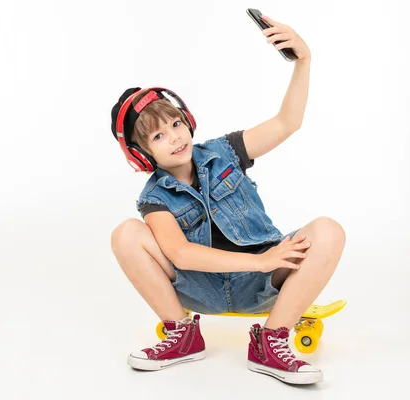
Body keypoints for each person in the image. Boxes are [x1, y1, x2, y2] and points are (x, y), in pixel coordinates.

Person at [110, 14, 345, 385]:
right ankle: (182, 335)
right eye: (158, 137)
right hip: (199, 287)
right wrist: (260, 261)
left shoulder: (226, 151)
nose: (174, 137)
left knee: (328, 230)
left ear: (187, 120)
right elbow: (182, 255)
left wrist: (304, 61)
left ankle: (271, 342)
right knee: (125, 233)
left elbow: (287, 122)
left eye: (175, 124)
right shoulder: (154, 197)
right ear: (143, 155)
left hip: (264, 281)